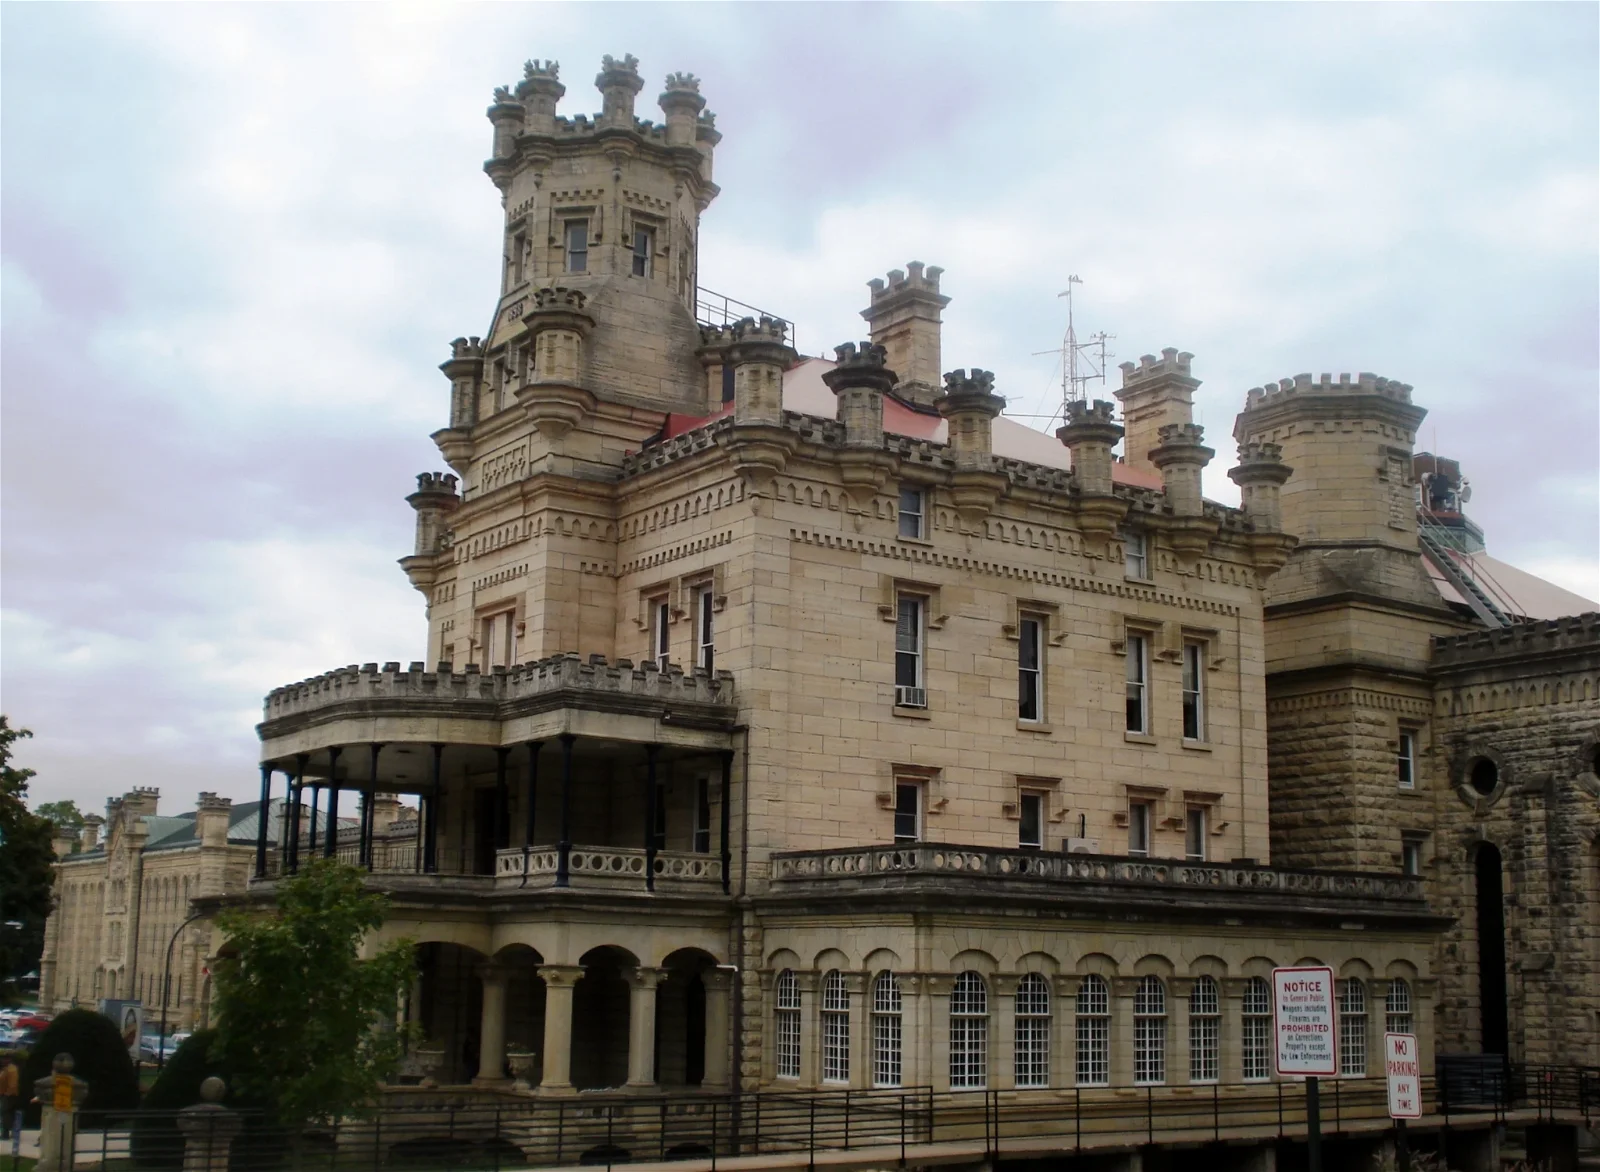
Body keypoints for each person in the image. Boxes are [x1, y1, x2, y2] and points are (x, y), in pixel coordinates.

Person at [0, 1055, 18, 1139]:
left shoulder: (11, 1069)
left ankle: (5, 1134)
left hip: (9, 1095)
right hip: (5, 1094)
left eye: (4, 1059)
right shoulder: (6, 1069)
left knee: (6, 1113)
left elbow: (13, 1084)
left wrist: (8, 1094)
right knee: (6, 1113)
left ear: (9, 1059)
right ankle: (8, 1133)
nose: (2, 1060)